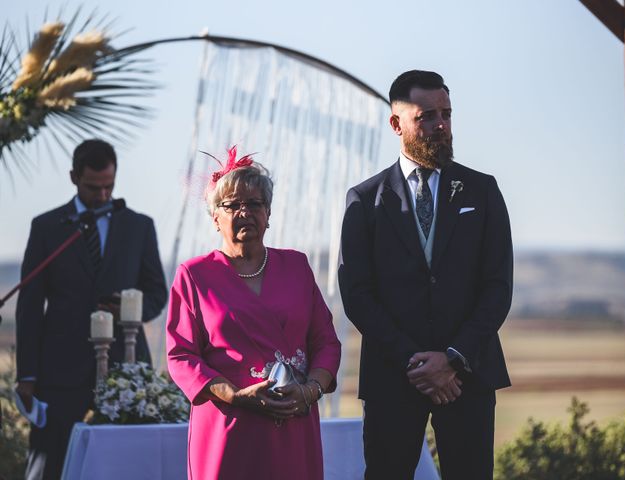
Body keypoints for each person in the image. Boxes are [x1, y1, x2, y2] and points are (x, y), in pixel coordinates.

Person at [338, 70, 513, 480]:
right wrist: (415, 363)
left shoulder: (482, 191)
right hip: (393, 378)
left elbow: (498, 286)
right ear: (396, 123)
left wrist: (452, 359)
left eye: (446, 114)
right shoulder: (364, 201)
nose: (441, 125)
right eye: (427, 116)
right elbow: (357, 294)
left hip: (466, 377)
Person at [166, 146, 341, 480]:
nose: (245, 212)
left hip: (292, 423)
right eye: (232, 205)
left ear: (269, 213)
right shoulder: (194, 275)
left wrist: (309, 391)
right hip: (228, 426)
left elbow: (327, 343)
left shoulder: (297, 266)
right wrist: (233, 395)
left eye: (255, 204)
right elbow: (181, 356)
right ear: (215, 217)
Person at [15, 139, 168, 480]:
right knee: (51, 466)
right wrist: (27, 375)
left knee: (128, 467)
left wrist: (130, 309)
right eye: (93, 187)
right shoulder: (47, 227)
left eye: (109, 187)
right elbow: (29, 304)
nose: (102, 195)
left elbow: (158, 293)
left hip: (125, 370)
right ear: (73, 177)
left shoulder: (139, 226)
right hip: (60, 373)